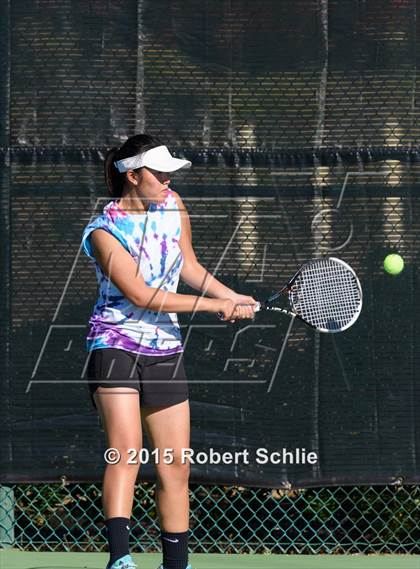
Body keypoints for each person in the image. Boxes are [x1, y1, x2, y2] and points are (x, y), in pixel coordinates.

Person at [81, 134, 257, 569]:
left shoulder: (174, 205)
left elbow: (189, 266)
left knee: (175, 464)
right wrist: (215, 306)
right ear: (132, 175)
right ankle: (120, 560)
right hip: (114, 343)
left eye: (169, 173)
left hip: (165, 348)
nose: (166, 179)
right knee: (125, 451)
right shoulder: (103, 232)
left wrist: (231, 295)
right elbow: (141, 295)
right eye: (158, 173)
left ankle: (176, 564)